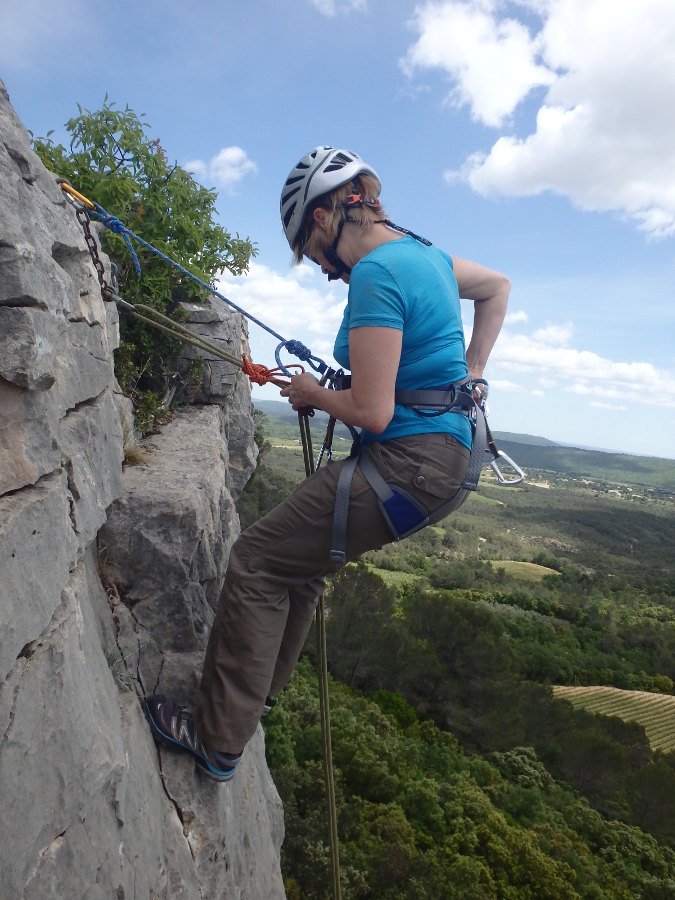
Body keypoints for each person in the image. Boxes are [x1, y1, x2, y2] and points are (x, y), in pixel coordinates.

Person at [146, 146, 510, 781]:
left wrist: (314, 394)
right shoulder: (427, 255)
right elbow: (497, 288)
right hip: (447, 459)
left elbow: (369, 412)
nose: (321, 269)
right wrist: (473, 373)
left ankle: (216, 737)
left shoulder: (377, 272)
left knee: (257, 561)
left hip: (407, 462)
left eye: (313, 255)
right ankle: (253, 697)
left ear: (324, 218)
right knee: (299, 568)